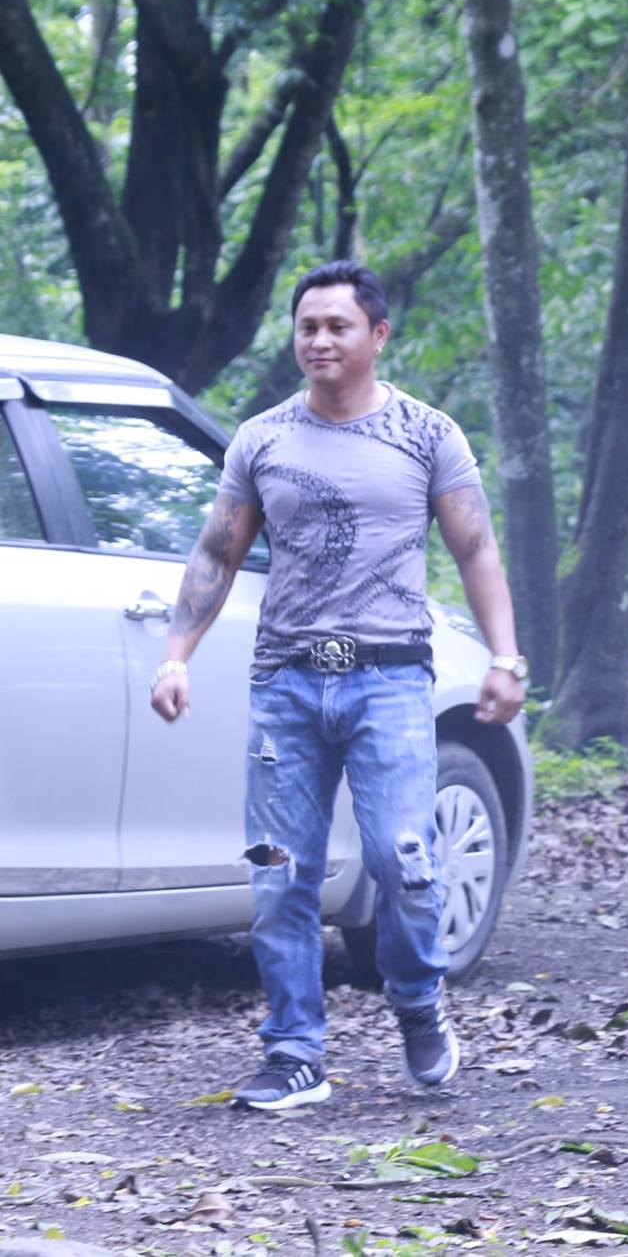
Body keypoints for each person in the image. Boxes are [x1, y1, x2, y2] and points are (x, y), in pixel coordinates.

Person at [149, 259, 528, 1111]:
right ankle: (294, 1051)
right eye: (307, 327)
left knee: (405, 861)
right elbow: (217, 552)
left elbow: (475, 549)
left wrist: (505, 658)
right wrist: (176, 654)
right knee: (279, 871)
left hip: (389, 680)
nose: (319, 340)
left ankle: (417, 998)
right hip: (285, 683)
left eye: (337, 326)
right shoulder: (262, 439)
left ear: (377, 335)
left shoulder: (427, 434)